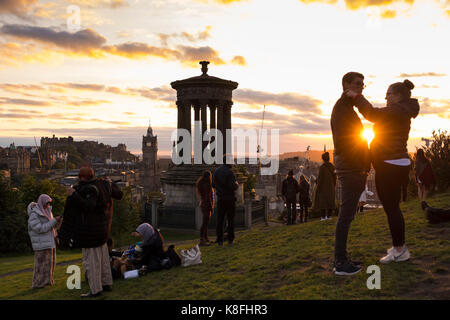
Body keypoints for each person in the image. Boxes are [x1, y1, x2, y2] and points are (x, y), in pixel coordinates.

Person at [346, 79, 420, 264]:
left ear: (398, 96)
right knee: (392, 208)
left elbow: (372, 113)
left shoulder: (397, 110)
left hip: (390, 164)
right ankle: (399, 247)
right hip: (396, 163)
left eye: (389, 94)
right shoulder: (401, 111)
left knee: (392, 209)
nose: (386, 97)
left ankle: (400, 250)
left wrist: (356, 97)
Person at [331, 72, 370, 275]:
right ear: (345, 84)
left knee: (347, 215)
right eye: (357, 84)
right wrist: (361, 164)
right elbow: (347, 141)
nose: (361, 87)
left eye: (363, 84)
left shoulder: (346, 108)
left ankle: (342, 258)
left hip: (353, 166)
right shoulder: (342, 109)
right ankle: (340, 262)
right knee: (345, 216)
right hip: (351, 167)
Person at [63, 165, 123, 297]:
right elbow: (120, 195)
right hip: (103, 229)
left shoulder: (86, 188)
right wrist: (111, 183)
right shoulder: (104, 184)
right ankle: (106, 283)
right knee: (103, 260)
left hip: (90, 232)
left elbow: (88, 206)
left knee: (91, 262)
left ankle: (95, 290)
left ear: (82, 177)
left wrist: (73, 195)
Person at [27, 194, 62, 289]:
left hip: (50, 242)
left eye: (49, 203)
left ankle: (47, 282)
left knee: (49, 265)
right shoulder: (34, 214)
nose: (48, 205)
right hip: (41, 244)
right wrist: (54, 220)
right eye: (46, 203)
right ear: (42, 202)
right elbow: (40, 228)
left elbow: (51, 227)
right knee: (40, 265)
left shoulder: (47, 211)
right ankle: (38, 283)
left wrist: (57, 222)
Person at [212, 154, 239, 246]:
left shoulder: (216, 171)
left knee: (220, 220)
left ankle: (220, 240)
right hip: (229, 198)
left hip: (220, 198)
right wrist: (237, 184)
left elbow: (213, 185)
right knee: (230, 219)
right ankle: (230, 239)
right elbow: (233, 186)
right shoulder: (230, 172)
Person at [313, 152, 336, 221]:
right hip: (331, 187)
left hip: (323, 188)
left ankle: (323, 217)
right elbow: (335, 178)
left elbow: (320, 179)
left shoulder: (322, 167)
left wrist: (317, 185)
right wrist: (333, 185)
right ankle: (329, 216)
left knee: (323, 202)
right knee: (330, 201)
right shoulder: (332, 167)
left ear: (323, 159)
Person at [196, 171, 214, 246]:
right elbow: (208, 197)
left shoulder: (202, 183)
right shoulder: (207, 185)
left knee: (205, 223)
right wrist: (211, 207)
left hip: (203, 204)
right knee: (205, 223)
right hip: (206, 205)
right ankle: (202, 240)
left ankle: (205, 238)